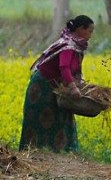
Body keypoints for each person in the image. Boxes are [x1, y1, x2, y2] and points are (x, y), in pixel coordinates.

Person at [19, 15, 94, 152]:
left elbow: (74, 71)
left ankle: (63, 154)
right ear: (80, 29)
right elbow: (64, 67)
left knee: (63, 119)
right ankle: (35, 153)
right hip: (42, 89)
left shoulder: (76, 46)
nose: (90, 35)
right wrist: (73, 88)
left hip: (58, 87)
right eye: (89, 31)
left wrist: (80, 86)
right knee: (40, 122)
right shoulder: (67, 45)